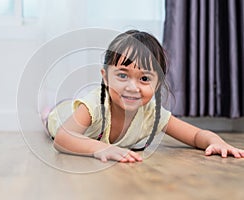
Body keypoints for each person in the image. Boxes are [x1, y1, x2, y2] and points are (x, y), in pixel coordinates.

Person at [43, 30, 244, 163]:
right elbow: (62, 139)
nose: (132, 87)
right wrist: (101, 149)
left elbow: (195, 135)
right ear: (105, 77)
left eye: (145, 78)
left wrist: (216, 141)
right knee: (52, 121)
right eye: (122, 75)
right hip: (63, 116)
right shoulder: (95, 105)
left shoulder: (152, 113)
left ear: (157, 84)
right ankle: (46, 113)